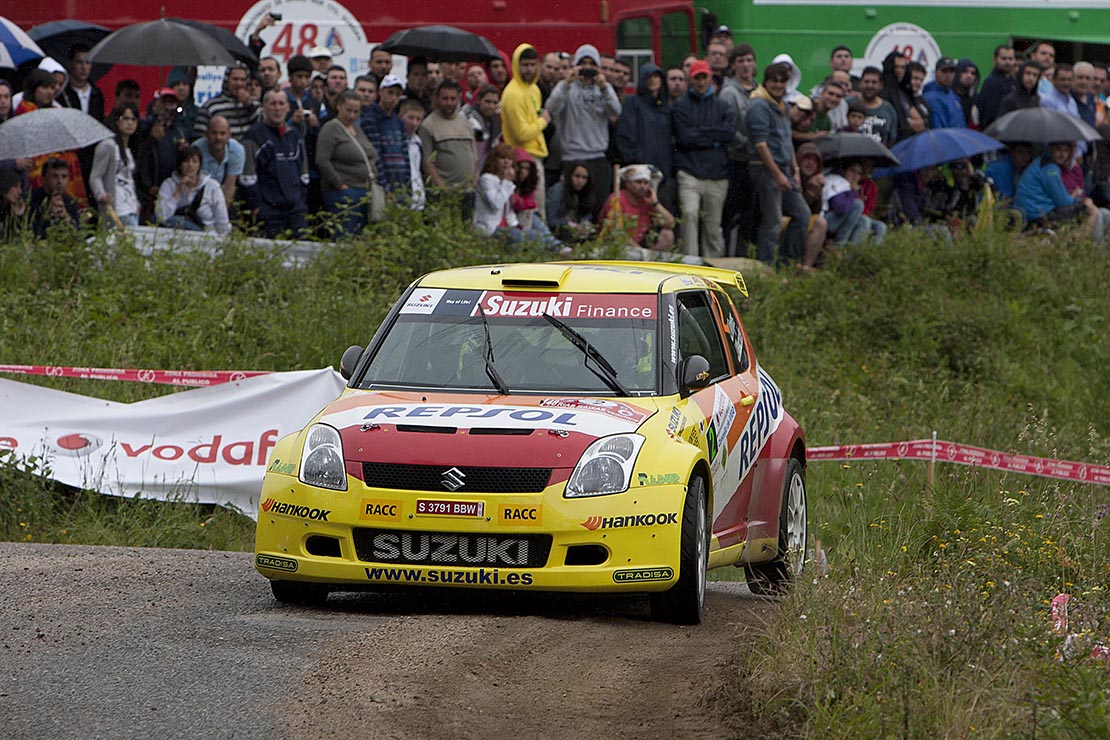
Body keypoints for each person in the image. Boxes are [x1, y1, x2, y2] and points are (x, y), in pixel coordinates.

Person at [546, 44, 622, 216]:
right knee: (572, 209)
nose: (587, 68)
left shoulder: (604, 88)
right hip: (572, 156)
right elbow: (551, 107)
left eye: (591, 64)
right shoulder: (566, 87)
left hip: (597, 156)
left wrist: (603, 88)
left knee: (598, 208)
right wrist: (566, 82)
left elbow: (616, 111)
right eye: (583, 63)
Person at [747, 62, 810, 265]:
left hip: (785, 168)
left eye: (782, 81)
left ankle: (788, 262)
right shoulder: (759, 105)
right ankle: (767, 267)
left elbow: (787, 139)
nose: (778, 85)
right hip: (765, 169)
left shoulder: (781, 105)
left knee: (802, 214)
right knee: (773, 221)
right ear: (766, 82)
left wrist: (795, 169)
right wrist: (778, 174)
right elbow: (761, 145)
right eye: (774, 81)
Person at [241, 89, 309, 238]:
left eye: (281, 103)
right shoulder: (253, 136)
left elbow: (304, 173)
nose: (277, 108)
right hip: (268, 211)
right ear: (264, 107)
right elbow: (247, 176)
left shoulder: (295, 135)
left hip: (296, 210)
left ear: (288, 107)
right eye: (272, 104)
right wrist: (256, 206)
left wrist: (301, 202)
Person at [316, 90, 381, 238]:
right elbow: (322, 159)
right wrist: (339, 184)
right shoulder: (331, 128)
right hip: (345, 191)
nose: (352, 115)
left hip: (365, 189)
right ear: (339, 106)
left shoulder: (357, 129)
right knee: (344, 234)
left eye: (356, 112)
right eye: (348, 110)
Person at [500, 44, 552, 217]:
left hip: (536, 155)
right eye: (525, 65)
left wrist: (539, 120)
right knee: (528, 211)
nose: (529, 69)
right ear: (516, 65)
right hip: (522, 158)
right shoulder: (513, 94)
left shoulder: (534, 89)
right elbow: (521, 134)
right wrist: (543, 121)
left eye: (532, 65)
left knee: (538, 208)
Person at [615, 64, 674, 213]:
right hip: (639, 172)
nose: (653, 80)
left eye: (656, 77)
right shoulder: (632, 103)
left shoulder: (665, 107)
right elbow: (624, 135)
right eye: (649, 77)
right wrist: (634, 160)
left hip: (662, 173)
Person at [719, 44, 758, 255]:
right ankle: (731, 257)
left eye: (749, 60)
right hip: (736, 161)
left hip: (757, 163)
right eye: (740, 61)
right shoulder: (729, 93)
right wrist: (751, 145)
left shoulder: (760, 91)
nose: (745, 65)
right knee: (733, 216)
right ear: (733, 65)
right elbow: (729, 131)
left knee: (751, 215)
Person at [1014, 141, 1099, 238]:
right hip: (1039, 215)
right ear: (1050, 149)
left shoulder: (1041, 161)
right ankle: (1078, 246)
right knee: (1091, 210)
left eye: (1066, 151)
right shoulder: (1050, 169)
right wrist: (1076, 196)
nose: (1063, 154)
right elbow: (1063, 202)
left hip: (1034, 211)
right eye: (1059, 149)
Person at [472, 143, 549, 245]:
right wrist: (507, 182)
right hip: (488, 226)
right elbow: (496, 204)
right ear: (494, 160)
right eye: (502, 158)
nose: (506, 161)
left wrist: (517, 225)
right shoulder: (487, 179)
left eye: (509, 158)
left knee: (537, 237)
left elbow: (508, 211)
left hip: (506, 225)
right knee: (515, 236)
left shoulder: (507, 183)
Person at [155, 145, 230, 234]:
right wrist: (179, 190)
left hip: (206, 233)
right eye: (186, 161)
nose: (190, 165)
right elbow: (161, 216)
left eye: (194, 161)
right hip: (175, 232)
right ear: (180, 165)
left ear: (199, 165)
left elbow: (221, 216)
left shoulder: (212, 186)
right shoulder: (169, 184)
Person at [600, 163, 676, 250]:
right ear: (628, 183)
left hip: (638, 246)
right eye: (638, 182)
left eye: (646, 183)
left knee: (668, 234)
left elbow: (670, 224)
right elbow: (617, 232)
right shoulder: (616, 199)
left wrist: (655, 203)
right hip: (613, 247)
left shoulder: (647, 200)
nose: (643, 187)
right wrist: (641, 252)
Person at [89, 103, 142, 227]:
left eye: (133, 119)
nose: (130, 123)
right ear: (117, 121)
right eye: (126, 118)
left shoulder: (130, 149)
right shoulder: (108, 145)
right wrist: (101, 194)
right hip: (117, 207)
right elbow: (95, 176)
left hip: (132, 206)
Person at [419, 81, 477, 190]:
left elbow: (474, 155)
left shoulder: (465, 122)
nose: (449, 103)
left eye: (453, 99)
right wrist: (441, 186)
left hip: (467, 190)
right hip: (445, 191)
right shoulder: (428, 125)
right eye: (445, 99)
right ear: (436, 99)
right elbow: (426, 161)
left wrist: (473, 181)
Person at [360, 74, 409, 194]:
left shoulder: (398, 121)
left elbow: (405, 153)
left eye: (397, 94)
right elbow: (375, 155)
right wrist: (383, 186)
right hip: (383, 183)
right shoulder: (370, 119)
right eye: (390, 92)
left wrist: (408, 184)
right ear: (381, 92)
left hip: (400, 182)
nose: (393, 98)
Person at [510, 148, 561, 249]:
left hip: (524, 219)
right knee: (538, 236)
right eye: (521, 167)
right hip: (512, 223)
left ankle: (558, 247)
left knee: (537, 224)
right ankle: (557, 247)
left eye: (527, 169)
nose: (523, 172)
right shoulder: (507, 184)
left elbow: (529, 203)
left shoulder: (528, 184)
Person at [193, 65, 260, 140]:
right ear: (227, 80)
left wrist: (250, 106)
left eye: (242, 80)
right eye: (235, 79)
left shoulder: (254, 105)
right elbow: (199, 137)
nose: (239, 84)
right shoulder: (210, 106)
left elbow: (261, 129)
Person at [192, 115, 245, 210]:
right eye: (214, 133)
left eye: (222, 133)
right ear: (207, 134)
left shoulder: (237, 150)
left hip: (223, 197)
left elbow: (230, 186)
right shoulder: (196, 150)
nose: (218, 138)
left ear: (229, 135)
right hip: (199, 197)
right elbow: (193, 185)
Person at [31, 158, 84, 237]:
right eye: (55, 176)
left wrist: (66, 217)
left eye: (64, 176)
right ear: (44, 179)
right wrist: (48, 215)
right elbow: (33, 233)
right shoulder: (32, 199)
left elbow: (79, 233)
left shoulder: (70, 201)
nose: (60, 181)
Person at [545, 162, 596, 242]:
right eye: (577, 176)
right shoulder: (557, 191)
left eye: (584, 178)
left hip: (578, 227)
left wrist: (585, 226)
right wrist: (571, 225)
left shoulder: (585, 193)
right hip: (559, 230)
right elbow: (551, 220)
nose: (580, 181)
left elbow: (587, 214)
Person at [851, 66, 898, 146]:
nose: (870, 86)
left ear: (881, 85)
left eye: (874, 82)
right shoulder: (849, 103)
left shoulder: (888, 109)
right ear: (860, 84)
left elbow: (892, 138)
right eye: (866, 82)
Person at [58, 43, 104, 121]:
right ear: (69, 63)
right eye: (79, 62)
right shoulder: (62, 92)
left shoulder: (96, 94)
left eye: (87, 62)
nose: (84, 67)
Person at [976, 44, 1017, 128]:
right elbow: (989, 115)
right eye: (1003, 58)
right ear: (994, 60)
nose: (1008, 62)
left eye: (1010, 59)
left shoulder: (1013, 82)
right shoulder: (991, 83)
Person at [398, 98, 427, 210]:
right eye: (410, 118)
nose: (414, 123)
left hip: (418, 195)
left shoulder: (418, 141)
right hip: (402, 194)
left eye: (418, 119)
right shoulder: (397, 140)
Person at [463, 84, 502, 165]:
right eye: (487, 102)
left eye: (495, 103)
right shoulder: (467, 116)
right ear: (478, 100)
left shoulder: (495, 122)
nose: (491, 106)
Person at [923, 57, 965, 129]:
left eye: (951, 71)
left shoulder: (953, 95)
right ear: (936, 72)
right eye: (944, 71)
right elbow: (939, 130)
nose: (948, 75)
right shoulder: (932, 98)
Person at [168, 67, 199, 138]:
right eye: (177, 84)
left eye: (184, 84)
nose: (181, 88)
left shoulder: (197, 112)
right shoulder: (164, 112)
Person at [0, 167, 30, 238]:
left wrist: (19, 214)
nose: (20, 191)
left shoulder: (8, 209)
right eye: (15, 186)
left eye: (20, 187)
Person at [954, 59, 980, 128]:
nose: (969, 76)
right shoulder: (948, 97)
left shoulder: (976, 100)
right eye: (965, 72)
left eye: (973, 73)